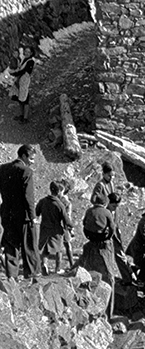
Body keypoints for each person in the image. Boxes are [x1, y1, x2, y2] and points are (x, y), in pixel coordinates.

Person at [0, 144, 41, 280]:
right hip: (23, 216)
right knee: (29, 246)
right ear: (24, 156)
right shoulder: (26, 171)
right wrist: (33, 217)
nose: (32, 162)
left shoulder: (3, 169)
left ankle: (12, 277)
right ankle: (32, 275)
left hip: (7, 213)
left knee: (10, 245)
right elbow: (28, 197)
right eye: (32, 158)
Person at [80, 192, 117, 317]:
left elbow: (84, 223)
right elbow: (112, 228)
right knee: (109, 276)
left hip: (91, 237)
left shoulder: (89, 210)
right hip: (102, 240)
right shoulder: (107, 213)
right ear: (105, 203)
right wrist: (108, 237)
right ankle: (108, 313)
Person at [35, 181, 71, 275]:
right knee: (59, 249)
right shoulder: (59, 204)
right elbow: (65, 219)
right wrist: (70, 226)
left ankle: (44, 264)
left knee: (45, 249)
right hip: (56, 230)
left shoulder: (43, 201)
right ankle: (57, 268)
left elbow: (37, 213)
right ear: (58, 191)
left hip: (44, 228)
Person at [10, 46, 35, 124]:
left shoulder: (31, 61)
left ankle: (25, 118)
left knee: (25, 98)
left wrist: (15, 73)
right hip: (19, 80)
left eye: (28, 52)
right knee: (20, 97)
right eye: (26, 51)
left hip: (24, 81)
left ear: (31, 53)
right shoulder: (23, 59)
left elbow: (24, 71)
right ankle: (21, 115)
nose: (27, 53)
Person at [57, 180, 75, 269]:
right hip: (65, 225)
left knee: (59, 246)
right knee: (67, 245)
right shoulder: (66, 201)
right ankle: (72, 264)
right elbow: (68, 216)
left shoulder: (59, 200)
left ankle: (58, 266)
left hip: (59, 225)